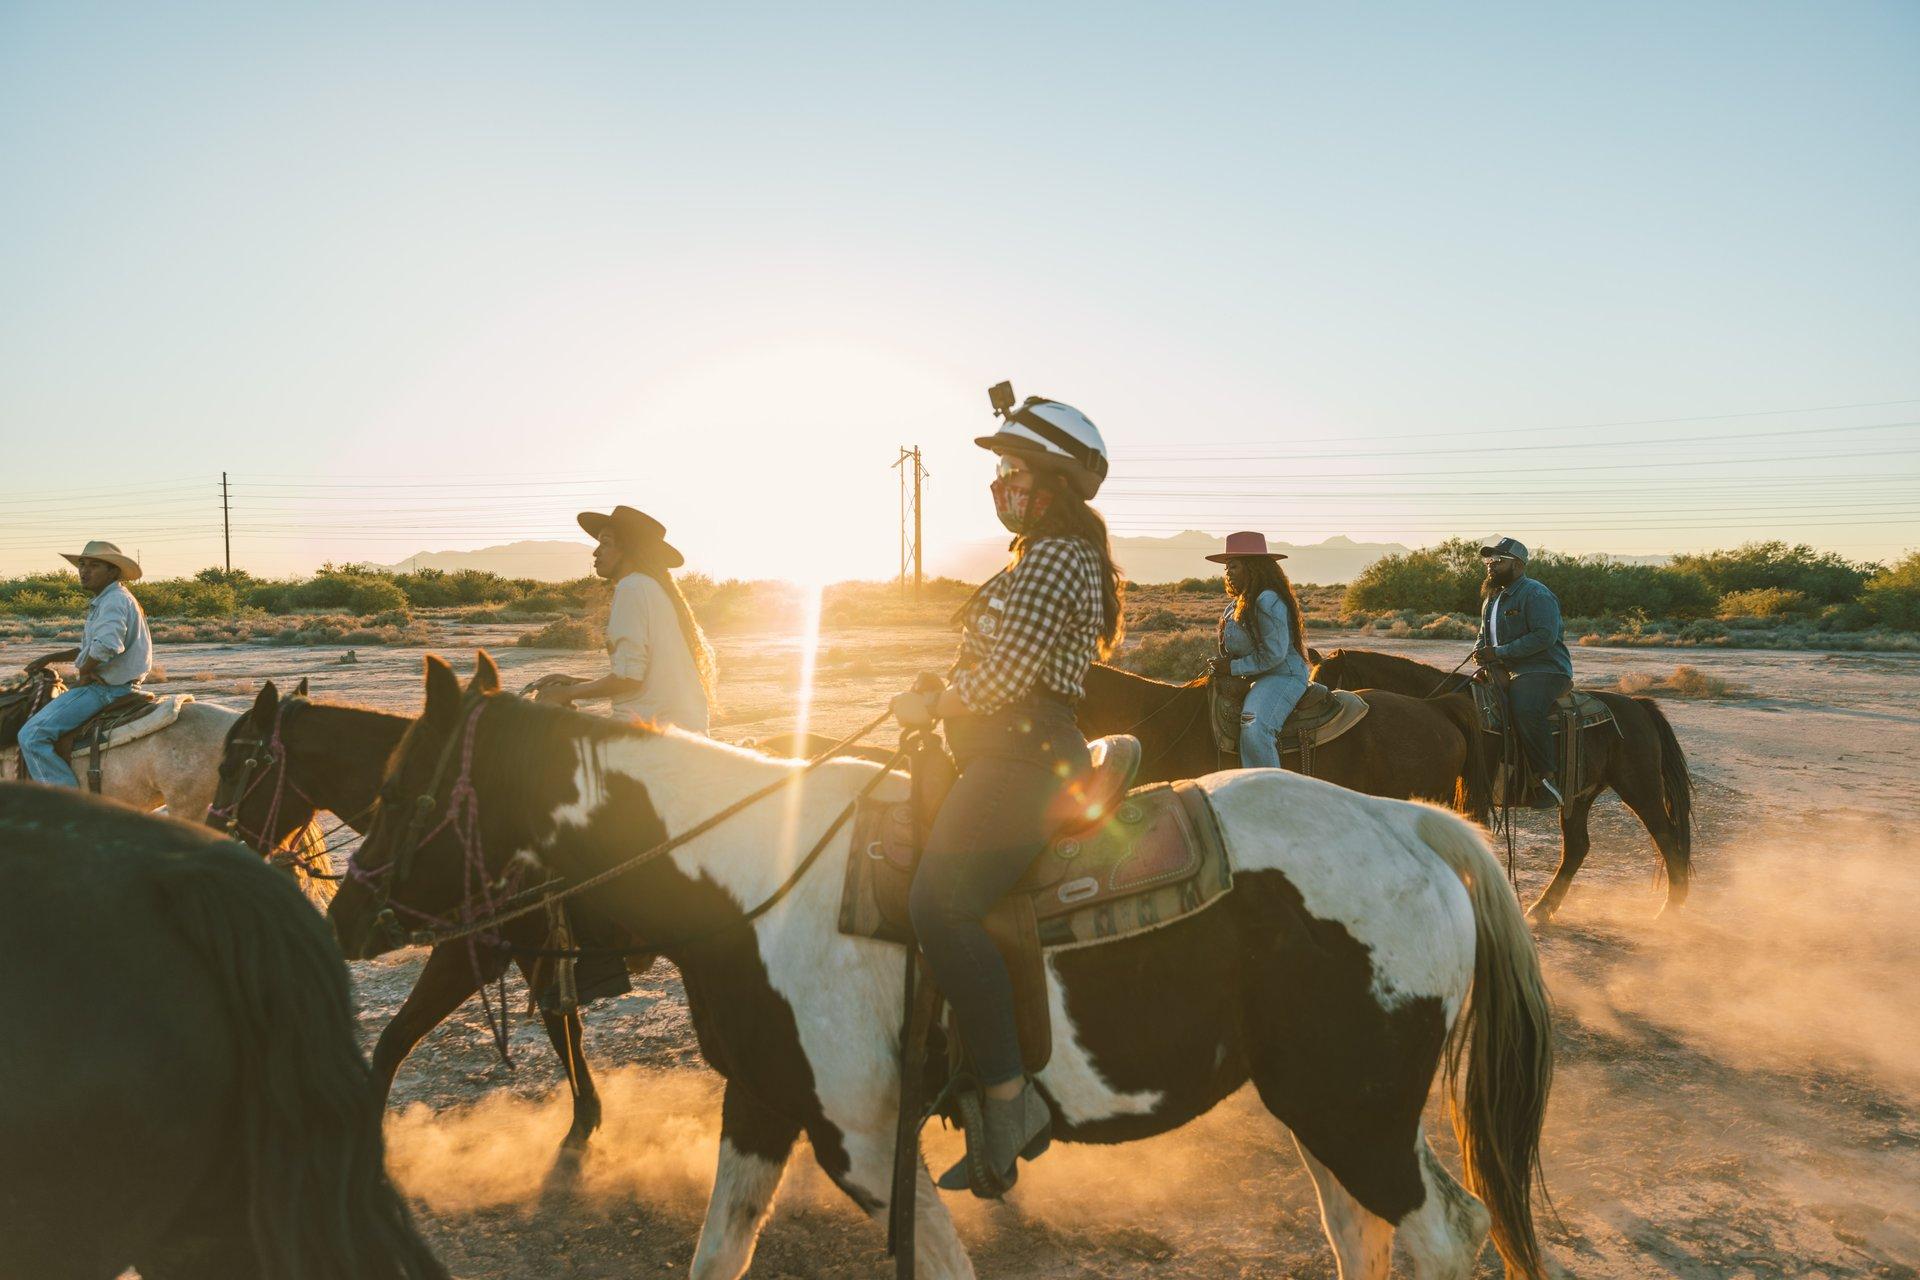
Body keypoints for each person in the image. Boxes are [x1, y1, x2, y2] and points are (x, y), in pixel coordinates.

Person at [890, 391, 1123, 1197]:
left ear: (1052, 481)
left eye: (1013, 468)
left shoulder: (1055, 555)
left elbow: (1006, 677)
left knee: (938, 906)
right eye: (999, 468)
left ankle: (1008, 1098)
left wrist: (939, 702)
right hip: (999, 752)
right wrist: (946, 687)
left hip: (1020, 759)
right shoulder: (1041, 553)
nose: (1000, 482)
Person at [537, 505, 714, 735]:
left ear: (629, 550)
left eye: (606, 543)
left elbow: (629, 679)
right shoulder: (651, 587)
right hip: (679, 729)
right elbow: (646, 681)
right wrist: (574, 683)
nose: (596, 552)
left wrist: (566, 694)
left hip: (653, 735)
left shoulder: (632, 587)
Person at [19, 541, 152, 788]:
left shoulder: (113, 600)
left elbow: (107, 646)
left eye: (94, 565)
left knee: (31, 735)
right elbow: (93, 647)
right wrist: (49, 658)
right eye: (82, 565)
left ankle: (68, 804)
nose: (84, 571)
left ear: (113, 571)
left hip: (107, 689)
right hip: (118, 685)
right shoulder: (110, 598)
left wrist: (85, 671)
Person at [1473, 536, 1574, 807]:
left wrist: (1501, 653)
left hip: (1544, 669)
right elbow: (1484, 637)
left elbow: (1544, 636)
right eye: (1487, 560)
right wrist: (1481, 657)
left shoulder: (1536, 593)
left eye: (1497, 560)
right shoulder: (1491, 600)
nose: (1490, 565)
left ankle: (1545, 780)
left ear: (1517, 565)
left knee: (1525, 707)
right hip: (1506, 669)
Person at [1204, 532, 1311, 767]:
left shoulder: (1267, 600)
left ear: (1252, 567)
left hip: (1284, 676)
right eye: (1227, 567)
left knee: (1254, 726)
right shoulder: (1237, 604)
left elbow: (1275, 654)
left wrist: (1233, 667)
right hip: (1258, 677)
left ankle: (1266, 790)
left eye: (1234, 566)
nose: (1228, 572)